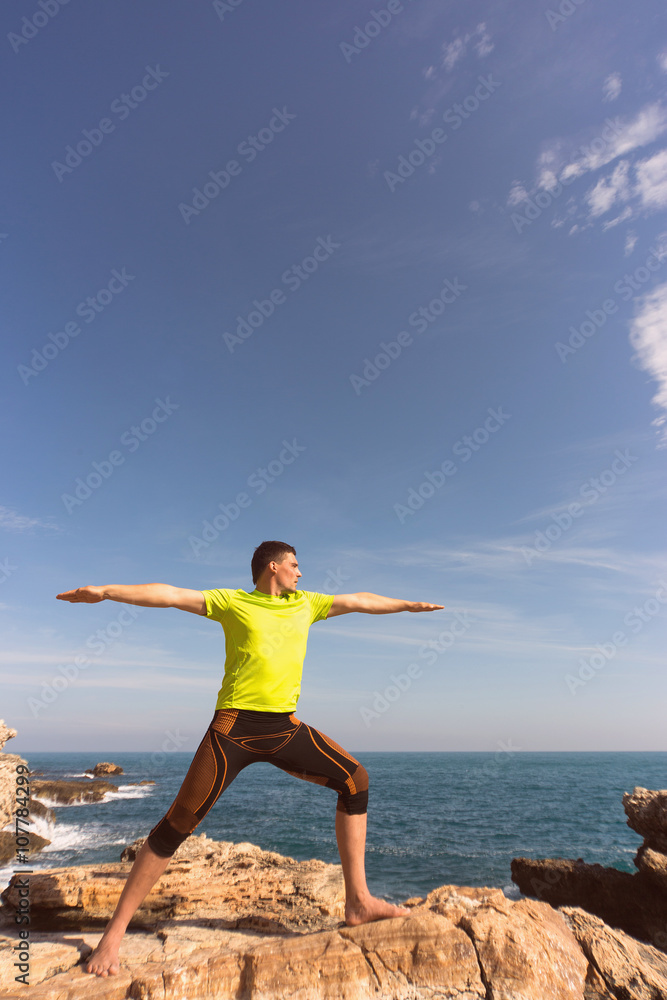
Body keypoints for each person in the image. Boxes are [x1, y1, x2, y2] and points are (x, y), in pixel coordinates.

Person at [56, 540, 444, 978]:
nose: (301, 573)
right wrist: (106, 591)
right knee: (177, 823)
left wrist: (406, 606)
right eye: (295, 565)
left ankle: (358, 901)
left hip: (283, 729)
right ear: (273, 567)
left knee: (356, 780)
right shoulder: (234, 602)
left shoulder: (307, 605)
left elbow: (358, 601)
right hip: (233, 730)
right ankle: (113, 935)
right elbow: (169, 594)